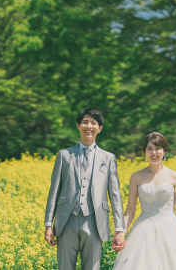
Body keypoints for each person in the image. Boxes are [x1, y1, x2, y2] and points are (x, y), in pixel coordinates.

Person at [44, 107, 126, 270]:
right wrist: (48, 224)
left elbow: (115, 195)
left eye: (93, 123)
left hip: (95, 221)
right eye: (85, 122)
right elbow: (54, 191)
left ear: (100, 128)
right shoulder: (64, 155)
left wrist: (119, 228)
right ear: (78, 126)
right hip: (66, 220)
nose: (89, 126)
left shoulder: (108, 158)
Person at [111, 132, 176, 270]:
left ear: (164, 151)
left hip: (171, 229)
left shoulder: (175, 176)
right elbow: (130, 209)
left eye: (157, 148)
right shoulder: (136, 176)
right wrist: (121, 233)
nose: (153, 152)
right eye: (149, 148)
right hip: (143, 229)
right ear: (144, 152)